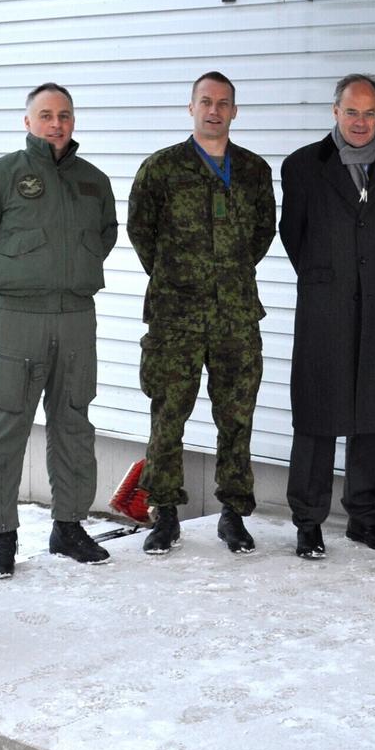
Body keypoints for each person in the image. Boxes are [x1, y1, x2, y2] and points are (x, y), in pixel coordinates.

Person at [0, 83, 118, 579]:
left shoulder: (93, 181)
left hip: (76, 318)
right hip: (19, 319)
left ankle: (68, 526)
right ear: (27, 122)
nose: (56, 124)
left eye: (64, 115)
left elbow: (105, 236)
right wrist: (8, 285)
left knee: (74, 423)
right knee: (8, 425)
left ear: (73, 121)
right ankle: (0, 533)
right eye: (45, 115)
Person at [128, 72, 277, 556]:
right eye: (206, 102)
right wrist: (180, 276)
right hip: (176, 316)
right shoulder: (162, 169)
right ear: (191, 107)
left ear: (235, 111)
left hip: (236, 314)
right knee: (168, 414)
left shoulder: (253, 170)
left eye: (223, 103)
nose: (215, 110)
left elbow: (262, 233)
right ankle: (164, 513)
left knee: (237, 416)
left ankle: (233, 513)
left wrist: (226, 275)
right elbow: (141, 231)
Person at [280, 75, 375, 560]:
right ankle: (308, 522)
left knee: (370, 416)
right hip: (325, 310)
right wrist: (328, 278)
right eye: (352, 111)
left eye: (370, 112)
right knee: (317, 416)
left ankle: (364, 519)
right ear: (335, 110)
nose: (361, 122)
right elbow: (293, 233)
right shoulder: (303, 165)